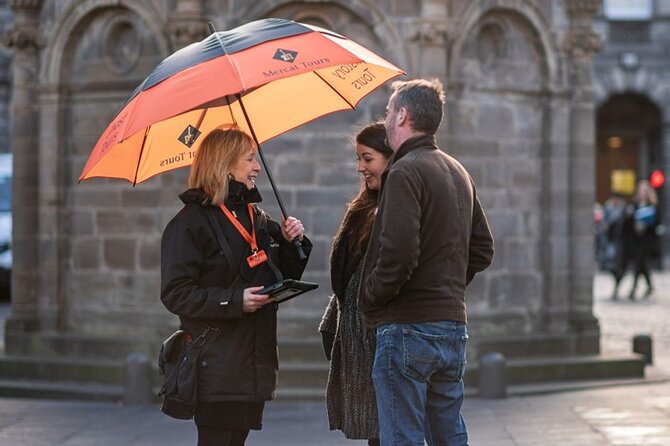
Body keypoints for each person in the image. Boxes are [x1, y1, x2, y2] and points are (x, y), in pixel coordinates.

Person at [359, 79, 494, 446]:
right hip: (451, 328)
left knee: (402, 437)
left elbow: (399, 255)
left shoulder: (404, 171)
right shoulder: (457, 170)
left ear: (402, 115)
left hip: (407, 327)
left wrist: (369, 297)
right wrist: (445, 287)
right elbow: (482, 249)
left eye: (389, 111)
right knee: (448, 435)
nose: (385, 118)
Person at [160, 128, 312, 446]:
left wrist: (290, 241)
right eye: (249, 159)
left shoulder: (255, 215)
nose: (256, 167)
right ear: (226, 164)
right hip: (215, 362)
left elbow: (278, 273)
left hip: (252, 359)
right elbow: (176, 293)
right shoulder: (188, 223)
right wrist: (234, 301)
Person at [319, 122, 393, 446]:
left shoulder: (398, 205)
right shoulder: (364, 207)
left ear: (390, 157)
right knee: (375, 434)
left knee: (389, 429)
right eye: (358, 159)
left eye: (368, 158)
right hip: (357, 336)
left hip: (380, 335)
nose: (360, 167)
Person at [612, 180, 659, 300]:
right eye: (640, 191)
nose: (642, 193)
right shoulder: (633, 206)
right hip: (632, 241)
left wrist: (647, 226)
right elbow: (625, 225)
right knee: (629, 265)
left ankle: (633, 289)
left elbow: (656, 224)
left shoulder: (652, 207)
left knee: (639, 265)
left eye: (644, 191)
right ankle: (620, 288)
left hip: (644, 243)